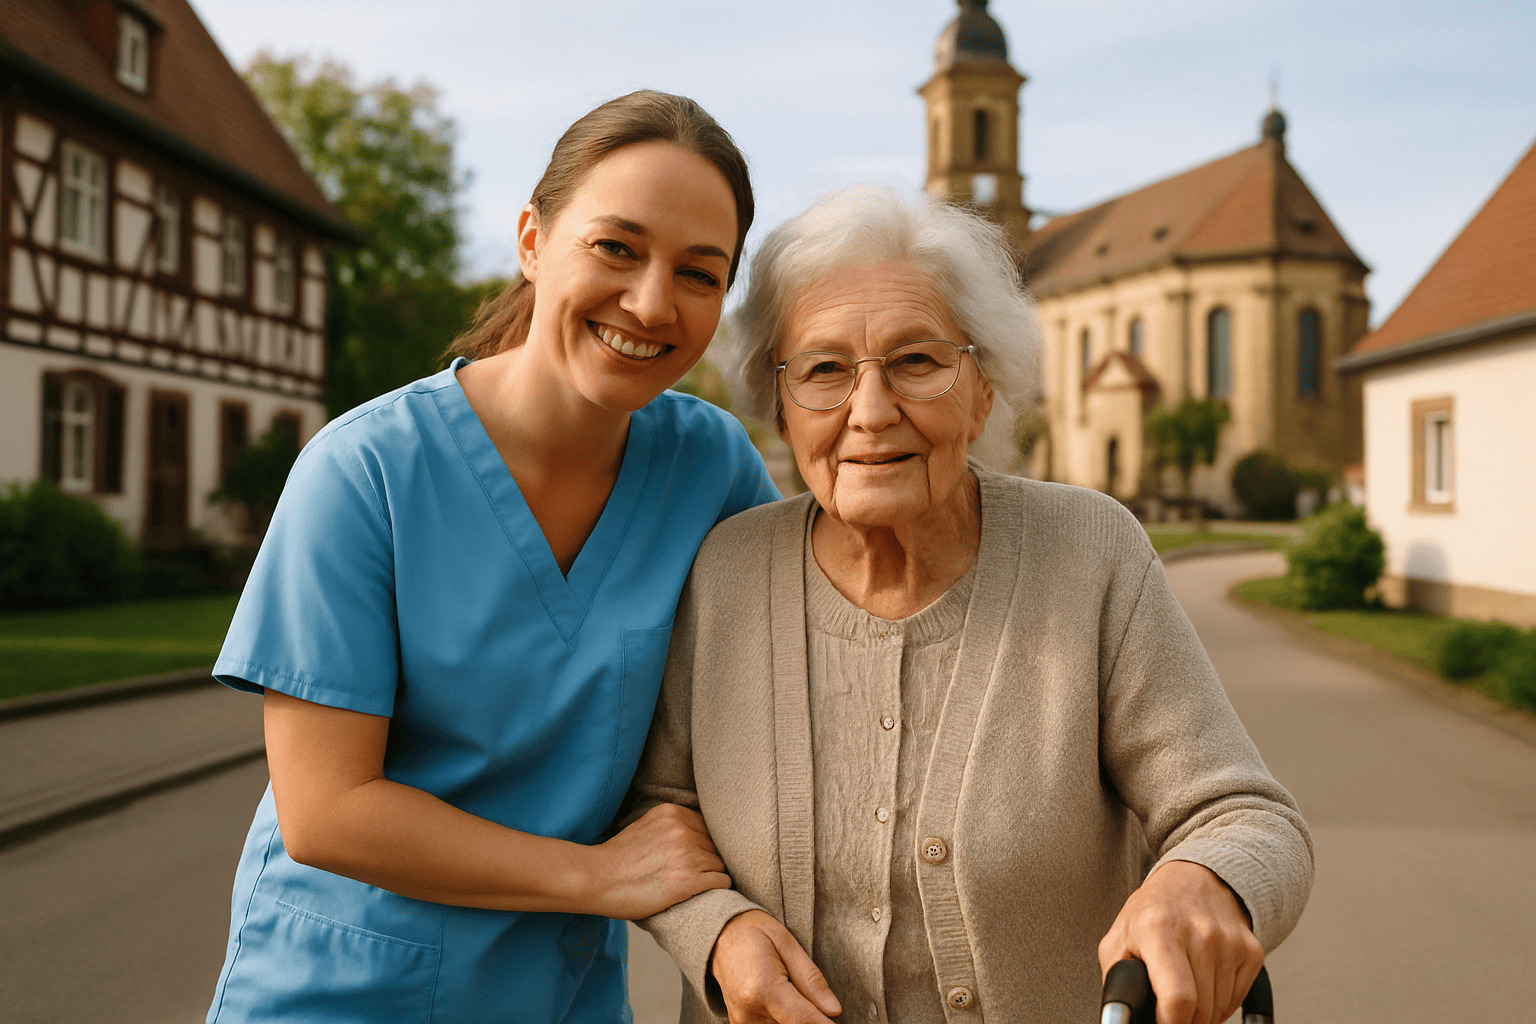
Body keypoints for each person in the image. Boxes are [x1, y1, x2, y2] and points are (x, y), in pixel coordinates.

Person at [626, 187, 1313, 1024]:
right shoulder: (727, 570)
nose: (870, 413)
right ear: (780, 404)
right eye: (824, 370)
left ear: (985, 389)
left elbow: (1243, 813)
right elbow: (658, 804)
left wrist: (1200, 881)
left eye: (918, 362)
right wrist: (717, 933)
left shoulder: (1089, 552)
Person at [204, 91, 778, 1023]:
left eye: (699, 273)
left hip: (560, 996)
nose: (650, 301)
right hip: (340, 994)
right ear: (532, 240)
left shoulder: (713, 468)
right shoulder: (365, 471)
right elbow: (327, 810)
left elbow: (814, 670)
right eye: (616, 248)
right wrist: (596, 876)